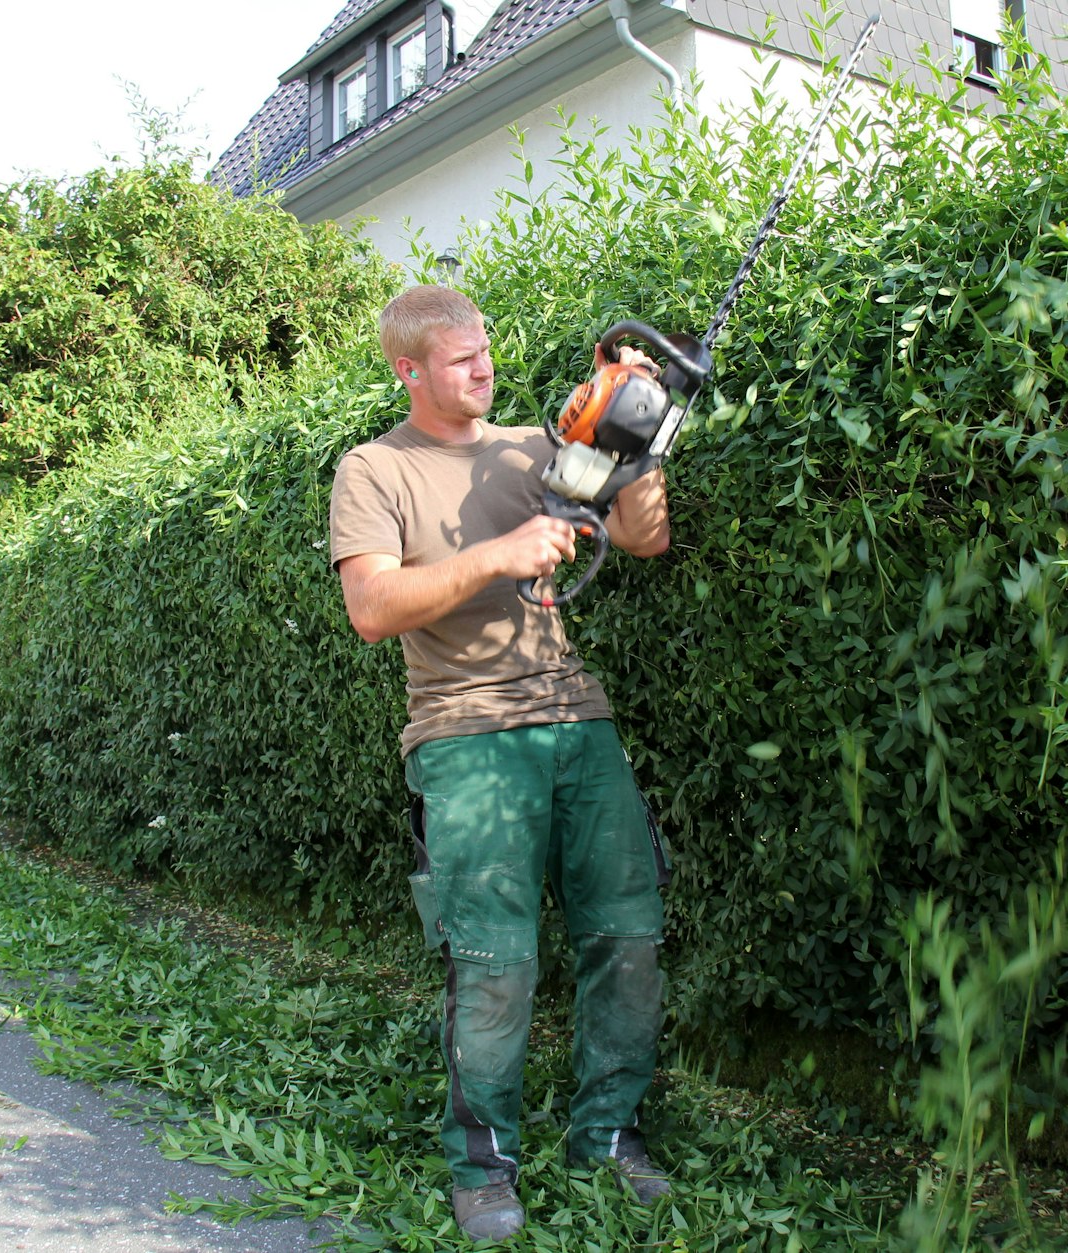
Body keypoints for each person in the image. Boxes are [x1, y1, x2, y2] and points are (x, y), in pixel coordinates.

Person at [328, 285, 674, 1243]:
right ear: (409, 370)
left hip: (575, 717)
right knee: (494, 962)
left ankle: (607, 1134)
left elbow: (645, 536)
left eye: (485, 351)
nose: (483, 368)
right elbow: (372, 609)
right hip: (463, 731)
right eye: (459, 358)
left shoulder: (537, 449)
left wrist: (640, 439)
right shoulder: (375, 470)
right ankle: (483, 1164)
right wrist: (500, 552)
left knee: (629, 933)